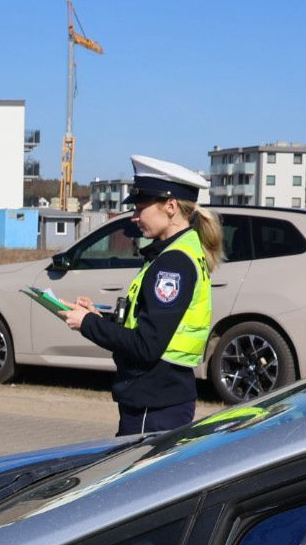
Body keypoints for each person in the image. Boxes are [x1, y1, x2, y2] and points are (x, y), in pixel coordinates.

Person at [64, 155, 222, 435]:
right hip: (160, 396)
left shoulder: (173, 263)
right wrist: (98, 317)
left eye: (140, 209)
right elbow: (147, 324)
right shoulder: (175, 252)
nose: (134, 217)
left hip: (155, 401)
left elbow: (146, 346)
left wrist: (88, 324)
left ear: (171, 206)